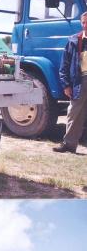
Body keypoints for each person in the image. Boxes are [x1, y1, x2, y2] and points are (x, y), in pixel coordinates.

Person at [54, 11, 87, 153]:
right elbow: (64, 66)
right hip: (81, 81)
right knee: (74, 113)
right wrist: (66, 85)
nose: (86, 25)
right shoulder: (74, 41)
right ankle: (69, 145)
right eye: (84, 22)